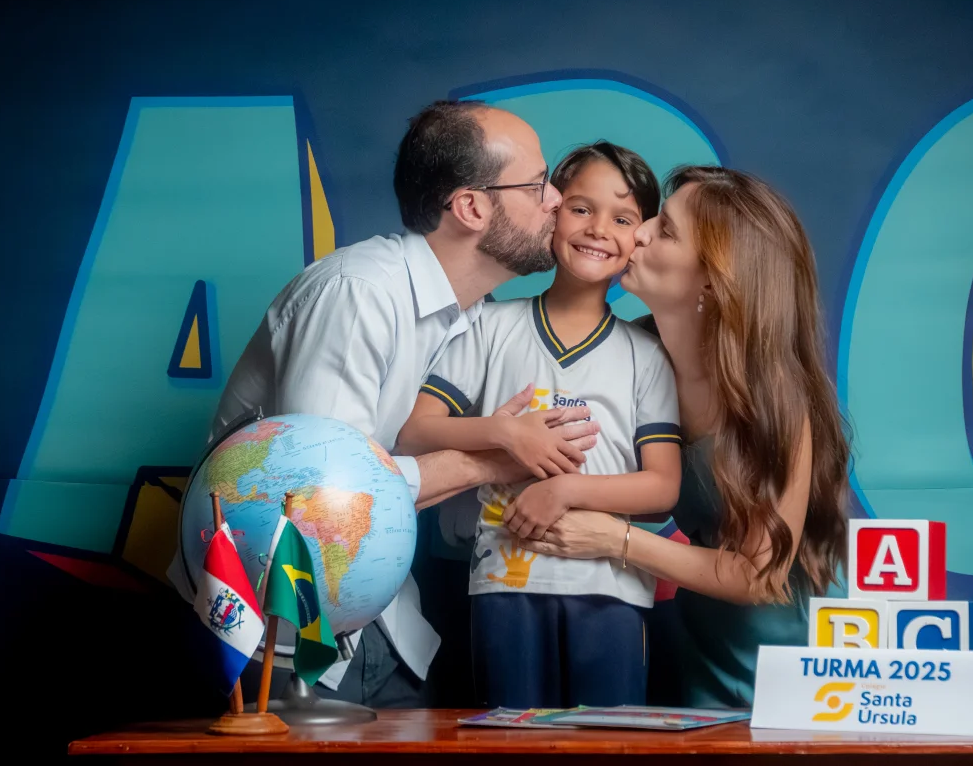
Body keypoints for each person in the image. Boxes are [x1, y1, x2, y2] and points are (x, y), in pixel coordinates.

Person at [198, 100, 601, 708]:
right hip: (278, 643)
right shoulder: (358, 296)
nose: (556, 199)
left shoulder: (475, 319)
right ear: (471, 207)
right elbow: (326, 504)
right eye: (536, 183)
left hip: (388, 628)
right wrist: (494, 455)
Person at [516, 166, 853, 708]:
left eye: (666, 230)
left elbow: (759, 576)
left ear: (715, 280)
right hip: (687, 636)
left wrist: (613, 540)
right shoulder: (632, 354)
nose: (640, 232)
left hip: (778, 661)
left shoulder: (777, 401)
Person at [396, 142, 682, 709]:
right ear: (552, 213)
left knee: (607, 742)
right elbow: (414, 433)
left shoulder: (647, 354)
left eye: (622, 218)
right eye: (581, 208)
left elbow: (662, 489)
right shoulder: (490, 326)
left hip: (611, 588)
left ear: (641, 237)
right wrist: (504, 434)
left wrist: (566, 489)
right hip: (505, 582)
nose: (598, 229)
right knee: (511, 735)